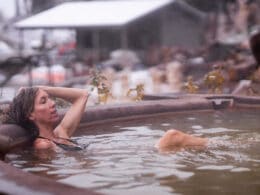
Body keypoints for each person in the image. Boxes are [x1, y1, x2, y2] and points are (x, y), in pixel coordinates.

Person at [5, 86, 89, 151]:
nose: (52, 103)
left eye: (49, 98)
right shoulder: (43, 145)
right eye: (43, 101)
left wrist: (41, 88)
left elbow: (83, 95)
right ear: (30, 114)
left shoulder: (61, 134)